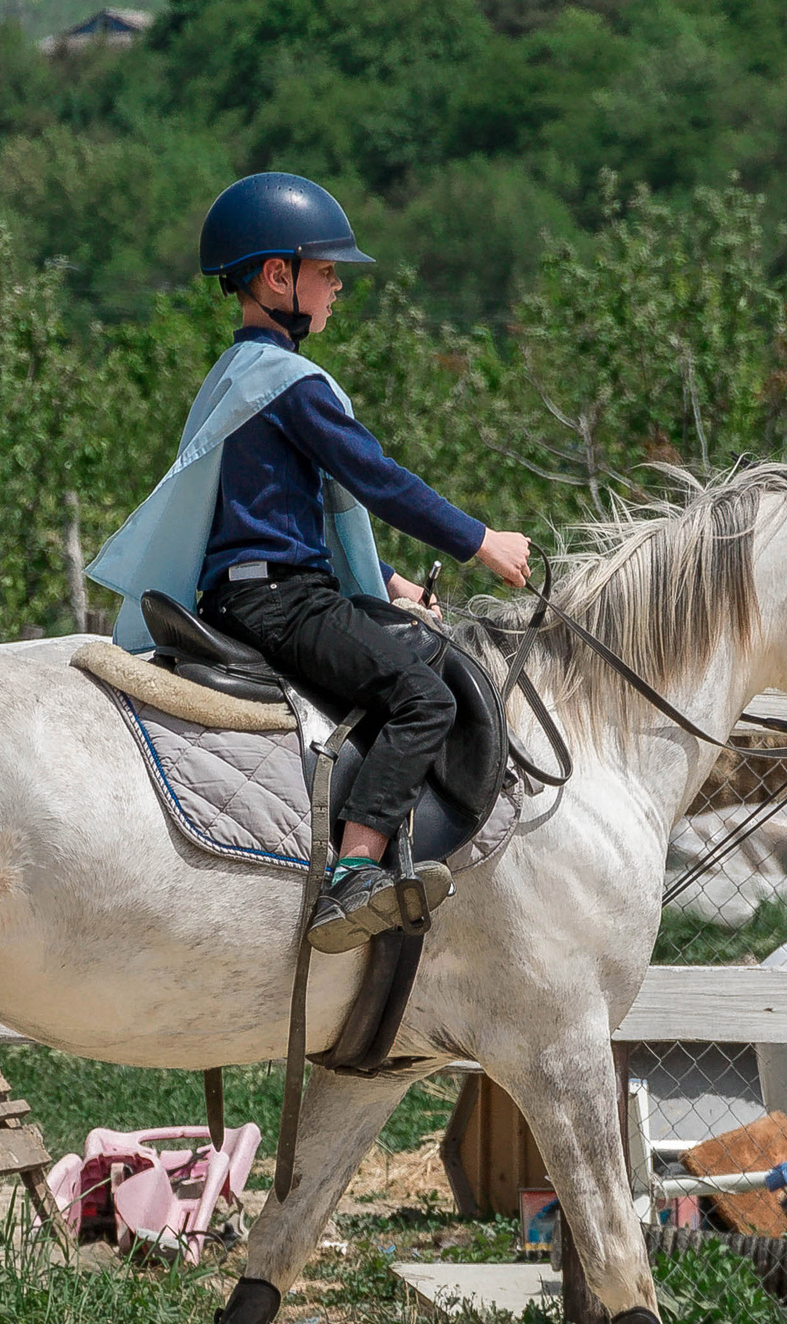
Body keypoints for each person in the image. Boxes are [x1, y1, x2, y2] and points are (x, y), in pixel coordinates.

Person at [89, 172, 532, 952]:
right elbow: (376, 478)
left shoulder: (234, 377)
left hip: (249, 591)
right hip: (283, 602)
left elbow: (283, 513)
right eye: (327, 272)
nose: (335, 288)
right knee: (425, 698)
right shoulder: (288, 383)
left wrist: (388, 581)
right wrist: (479, 540)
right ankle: (354, 872)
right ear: (276, 275)